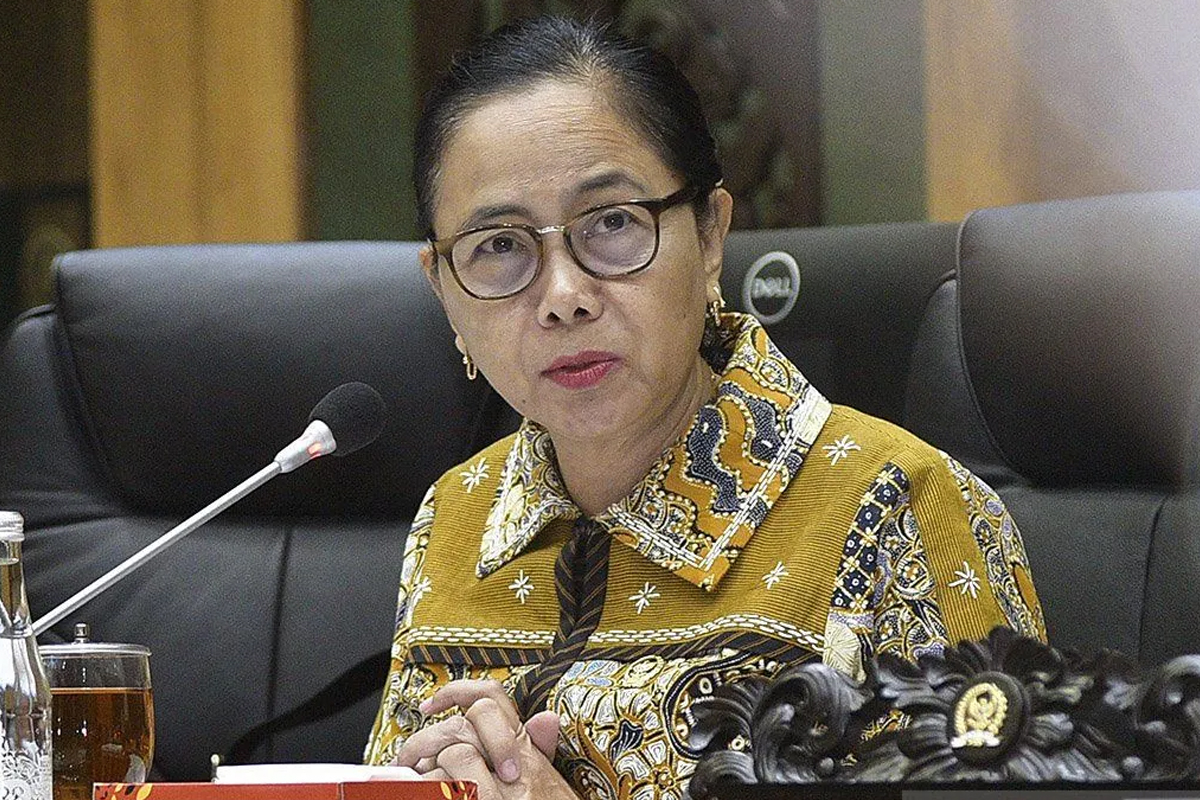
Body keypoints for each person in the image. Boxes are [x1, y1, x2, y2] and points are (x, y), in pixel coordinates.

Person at [364, 15, 1044, 800]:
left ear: (712, 235)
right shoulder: (455, 516)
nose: (563, 296)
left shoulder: (899, 508)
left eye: (612, 223)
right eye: (499, 246)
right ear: (442, 288)